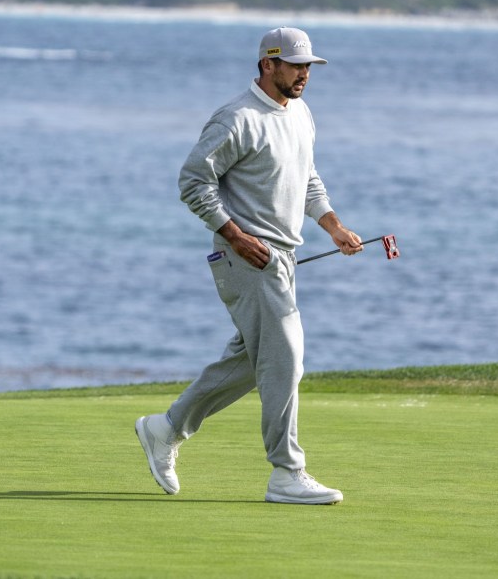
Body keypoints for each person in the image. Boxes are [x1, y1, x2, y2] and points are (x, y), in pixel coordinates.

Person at [135, 27, 363, 505]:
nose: (304, 74)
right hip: (246, 257)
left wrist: (334, 226)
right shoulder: (236, 118)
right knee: (286, 358)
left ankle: (166, 428)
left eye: (308, 66)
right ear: (268, 64)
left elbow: (307, 178)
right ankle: (286, 472)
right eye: (295, 65)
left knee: (252, 360)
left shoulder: (300, 113)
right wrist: (236, 236)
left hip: (284, 257)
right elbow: (193, 182)